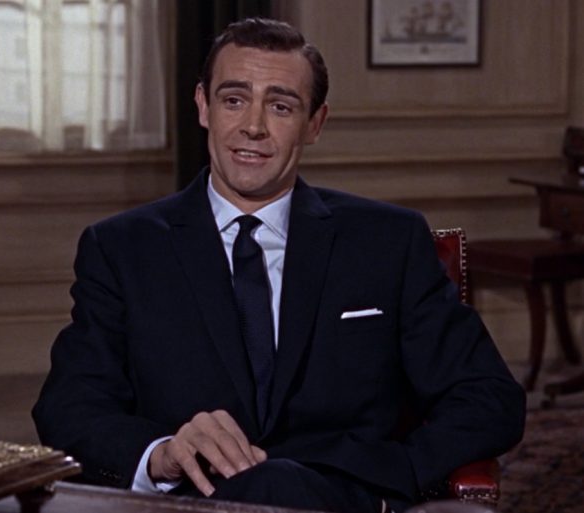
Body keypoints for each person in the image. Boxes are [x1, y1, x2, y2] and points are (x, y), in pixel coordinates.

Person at [33, 17, 525, 513]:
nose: (253, 126)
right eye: (233, 100)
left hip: (338, 498)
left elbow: (489, 397)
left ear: (315, 123)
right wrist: (161, 455)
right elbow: (69, 408)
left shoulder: (387, 241)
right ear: (203, 106)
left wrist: (389, 479)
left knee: (279, 484)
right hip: (197, 501)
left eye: (281, 106)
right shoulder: (122, 248)